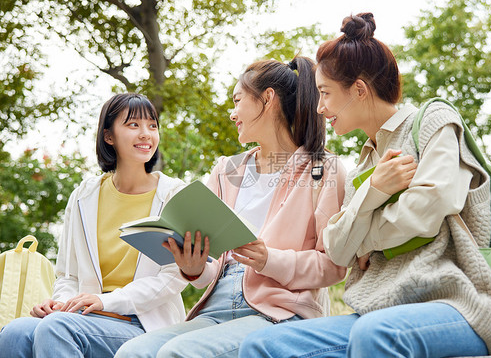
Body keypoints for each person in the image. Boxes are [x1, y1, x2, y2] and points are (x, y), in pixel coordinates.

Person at [239, 13, 491, 358]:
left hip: (454, 304)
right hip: (376, 310)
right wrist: (372, 192)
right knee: (261, 345)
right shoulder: (364, 167)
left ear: (359, 90)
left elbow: (425, 212)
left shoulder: (433, 123)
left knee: (374, 334)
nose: (319, 108)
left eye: (326, 94)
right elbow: (337, 249)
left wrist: (363, 238)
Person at [115, 56, 348, 358]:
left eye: (238, 100)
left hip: (278, 311)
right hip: (216, 307)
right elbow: (209, 271)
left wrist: (269, 260)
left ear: (267, 99)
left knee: (177, 354)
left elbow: (333, 266)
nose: (232, 113)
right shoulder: (227, 171)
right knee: (132, 353)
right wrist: (194, 267)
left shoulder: (322, 169)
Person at [0, 93, 188, 357]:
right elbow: (68, 275)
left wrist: (104, 301)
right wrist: (60, 304)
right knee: (15, 331)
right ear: (108, 136)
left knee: (57, 328)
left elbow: (173, 276)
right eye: (133, 125)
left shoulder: (173, 195)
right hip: (83, 317)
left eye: (152, 125)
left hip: (144, 323)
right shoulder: (84, 196)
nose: (146, 134)